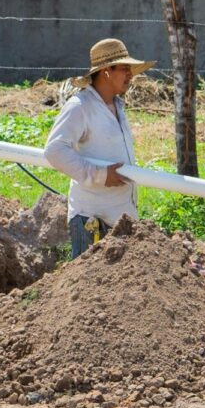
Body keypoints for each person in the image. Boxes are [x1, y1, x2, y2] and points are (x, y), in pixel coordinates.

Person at [44, 38, 155, 259]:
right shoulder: (80, 107)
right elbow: (54, 150)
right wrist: (101, 175)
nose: (130, 75)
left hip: (120, 216)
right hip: (93, 220)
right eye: (124, 68)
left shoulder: (116, 106)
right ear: (105, 71)